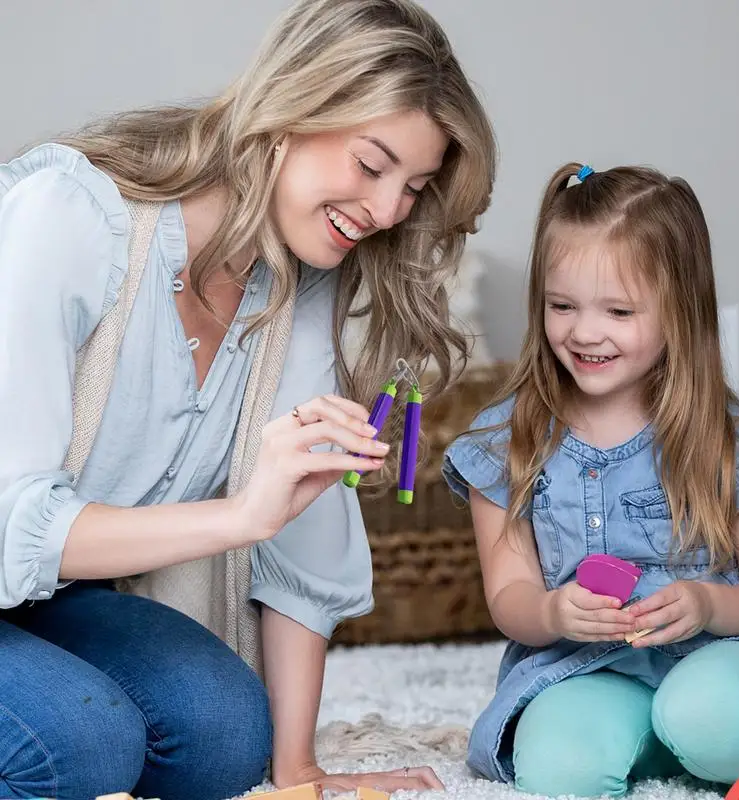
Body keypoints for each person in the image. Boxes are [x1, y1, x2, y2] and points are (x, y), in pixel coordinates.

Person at [0, 0, 496, 797]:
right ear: (291, 108)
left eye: (414, 187)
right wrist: (238, 516)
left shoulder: (300, 280)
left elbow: (303, 527)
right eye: (372, 166)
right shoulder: (70, 218)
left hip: (49, 597)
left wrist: (298, 772)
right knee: (82, 746)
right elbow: (8, 521)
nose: (387, 211)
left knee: (229, 737)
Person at [442, 162, 739, 797]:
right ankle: (663, 751)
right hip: (592, 668)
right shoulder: (506, 442)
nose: (584, 332)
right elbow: (511, 599)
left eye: (618, 310)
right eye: (562, 306)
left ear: (680, 312)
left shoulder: (729, 439)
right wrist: (553, 610)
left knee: (707, 717)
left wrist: (710, 604)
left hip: (723, 660)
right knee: (555, 766)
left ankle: (734, 750)